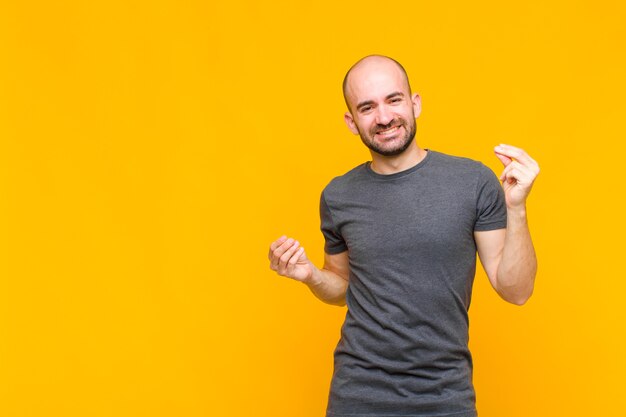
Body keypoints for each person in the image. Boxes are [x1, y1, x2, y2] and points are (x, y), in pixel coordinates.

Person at [267, 55, 539, 417]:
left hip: (445, 396)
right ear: (352, 122)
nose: (383, 117)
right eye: (367, 107)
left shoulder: (472, 182)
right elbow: (343, 287)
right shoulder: (338, 196)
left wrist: (517, 209)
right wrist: (310, 276)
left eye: (393, 100)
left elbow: (516, 290)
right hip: (357, 396)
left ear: (415, 103)